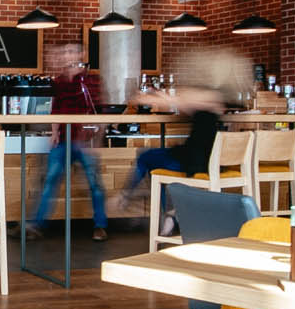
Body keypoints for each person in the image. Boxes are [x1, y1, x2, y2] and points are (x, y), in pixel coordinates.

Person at [118, 48, 283, 226]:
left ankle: (133, 201)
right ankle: (170, 213)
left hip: (196, 161)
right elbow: (183, 105)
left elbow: (170, 102)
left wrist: (142, 96)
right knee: (154, 161)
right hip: (214, 160)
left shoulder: (202, 95)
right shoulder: (219, 98)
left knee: (146, 156)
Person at [29, 40, 109, 242]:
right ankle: (37, 225)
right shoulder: (59, 82)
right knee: (49, 181)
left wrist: (97, 143)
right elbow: (55, 109)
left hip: (86, 142)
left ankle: (100, 226)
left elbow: (101, 112)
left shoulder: (91, 81)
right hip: (64, 140)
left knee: (95, 184)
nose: (67, 55)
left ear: (81, 54)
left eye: (72, 51)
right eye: (65, 52)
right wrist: (53, 133)